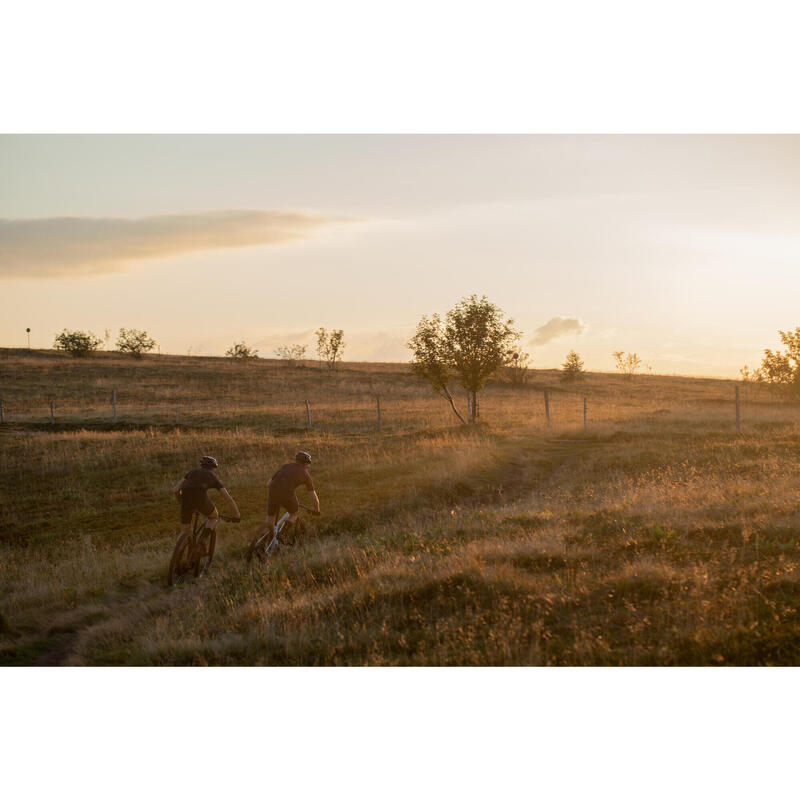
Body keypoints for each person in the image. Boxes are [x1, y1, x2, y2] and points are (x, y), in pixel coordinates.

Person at [254, 451, 321, 542]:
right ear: (305, 464)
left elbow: (269, 483)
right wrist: (317, 510)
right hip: (287, 494)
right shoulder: (306, 474)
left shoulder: (285, 466)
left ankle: (260, 542)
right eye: (308, 464)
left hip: (272, 491)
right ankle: (282, 534)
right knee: (294, 514)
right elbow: (313, 496)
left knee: (270, 518)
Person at [172, 455, 240, 536]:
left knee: (185, 531)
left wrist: (182, 503)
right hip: (200, 498)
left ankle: (179, 547)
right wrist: (237, 515)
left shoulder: (191, 472)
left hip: (185, 499)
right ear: (213, 468)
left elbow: (176, 490)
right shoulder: (213, 477)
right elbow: (228, 498)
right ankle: (204, 539)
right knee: (214, 517)